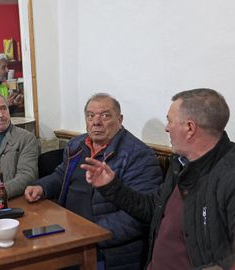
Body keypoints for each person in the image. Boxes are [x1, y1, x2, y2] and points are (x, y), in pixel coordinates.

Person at [82, 88, 235, 269]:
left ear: (190, 128)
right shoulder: (181, 164)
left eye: (170, 121)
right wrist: (111, 186)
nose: (166, 128)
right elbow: (152, 208)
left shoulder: (228, 175)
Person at [25, 93, 163, 270]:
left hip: (106, 250)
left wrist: (89, 233)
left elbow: (140, 217)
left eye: (105, 115)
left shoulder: (140, 156)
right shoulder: (76, 144)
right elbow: (61, 175)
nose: (96, 122)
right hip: (69, 233)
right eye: (91, 116)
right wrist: (41, 187)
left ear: (120, 119)